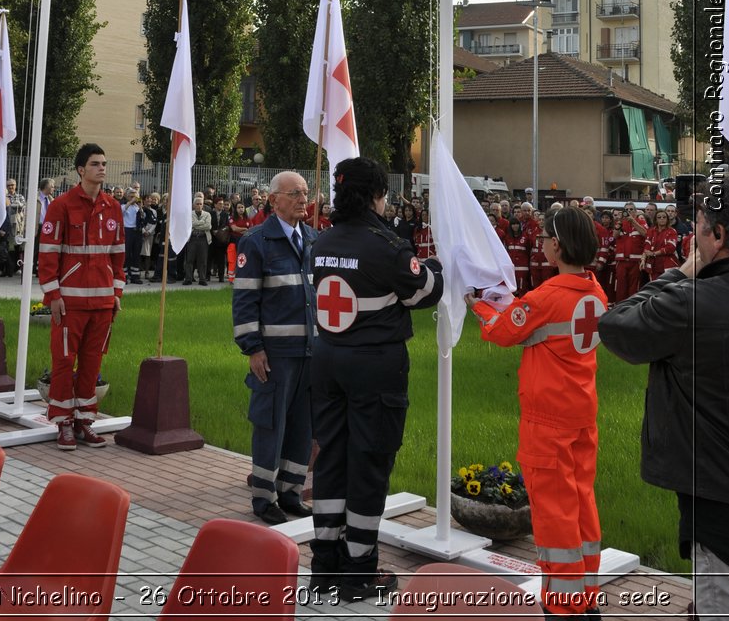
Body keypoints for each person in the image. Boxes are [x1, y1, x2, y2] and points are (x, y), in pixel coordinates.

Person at [310, 157, 443, 603]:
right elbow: (424, 290)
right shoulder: (386, 245)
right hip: (374, 366)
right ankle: (359, 572)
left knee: (331, 458)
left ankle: (324, 564)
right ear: (374, 195)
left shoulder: (321, 242)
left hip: (327, 361)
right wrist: (439, 268)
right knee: (369, 463)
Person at [598, 182, 729, 621]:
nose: (692, 235)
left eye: (698, 227)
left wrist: (680, 273)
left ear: (719, 238)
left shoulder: (689, 302)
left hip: (715, 491)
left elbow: (617, 326)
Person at [466, 206, 607, 618]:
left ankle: (562, 608)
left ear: (557, 245)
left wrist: (479, 306)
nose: (542, 241)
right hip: (581, 415)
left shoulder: (546, 297)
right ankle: (586, 599)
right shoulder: (594, 290)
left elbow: (503, 330)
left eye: (546, 236)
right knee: (582, 507)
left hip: (547, 423)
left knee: (554, 517)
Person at [232, 170, 316, 525]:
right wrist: (253, 348)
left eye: (305, 192)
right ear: (273, 200)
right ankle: (264, 497)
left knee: (302, 426)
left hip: (310, 352)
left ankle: (291, 492)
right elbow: (245, 300)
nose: (302, 199)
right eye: (294, 193)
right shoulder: (257, 242)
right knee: (270, 425)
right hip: (275, 355)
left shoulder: (312, 238)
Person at [38, 143, 124, 451]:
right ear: (80, 169)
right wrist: (53, 294)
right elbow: (47, 254)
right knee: (64, 362)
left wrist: (116, 293)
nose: (102, 168)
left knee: (92, 363)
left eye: (103, 163)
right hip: (70, 303)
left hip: (102, 304)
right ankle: (63, 423)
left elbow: (117, 255)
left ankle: (84, 420)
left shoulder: (112, 206)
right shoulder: (61, 205)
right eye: (95, 164)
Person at [184, 193, 212, 284]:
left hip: (203, 238)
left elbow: (208, 226)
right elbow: (190, 224)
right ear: (193, 205)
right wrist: (201, 223)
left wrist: (195, 224)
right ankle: (188, 279)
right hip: (192, 238)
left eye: (201, 204)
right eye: (197, 204)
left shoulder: (207, 214)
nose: (199, 206)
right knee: (189, 260)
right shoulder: (189, 214)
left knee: (203, 260)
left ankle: (202, 279)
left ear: (203, 205)